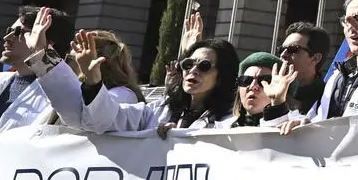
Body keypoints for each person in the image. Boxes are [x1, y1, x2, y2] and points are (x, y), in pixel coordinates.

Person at [42, 29, 241, 133]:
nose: (193, 71)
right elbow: (102, 120)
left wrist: (180, 141)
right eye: (188, 64)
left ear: (222, 75)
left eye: (204, 66)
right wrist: (94, 82)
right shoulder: (156, 111)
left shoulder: (230, 121)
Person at [0, 5, 73, 133]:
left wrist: (42, 52)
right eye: (9, 30)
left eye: (18, 32)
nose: (7, 38)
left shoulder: (62, 97)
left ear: (47, 42)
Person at [270, 23, 332, 118]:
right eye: (281, 49)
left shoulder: (329, 99)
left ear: (315, 58)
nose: (283, 54)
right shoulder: (267, 90)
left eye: (293, 49)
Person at [234, 52, 298, 128]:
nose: (253, 86)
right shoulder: (222, 127)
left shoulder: (296, 125)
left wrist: (277, 103)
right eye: (246, 80)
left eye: (265, 80)